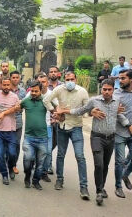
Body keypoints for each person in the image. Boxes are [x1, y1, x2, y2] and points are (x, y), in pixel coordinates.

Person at [57, 78, 131, 205]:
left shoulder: (117, 101)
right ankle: (98, 192)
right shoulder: (94, 101)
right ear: (101, 89)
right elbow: (80, 110)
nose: (106, 92)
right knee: (99, 164)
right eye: (104, 89)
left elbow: (117, 115)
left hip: (111, 138)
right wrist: (64, 111)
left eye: (109, 89)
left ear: (113, 90)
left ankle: (101, 187)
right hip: (97, 137)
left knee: (105, 166)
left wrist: (128, 124)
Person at [43, 71, 90, 200]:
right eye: (67, 79)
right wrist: (54, 112)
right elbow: (46, 100)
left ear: (76, 79)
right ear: (64, 80)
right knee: (60, 155)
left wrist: (69, 112)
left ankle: (84, 187)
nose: (70, 82)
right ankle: (59, 179)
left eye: (72, 79)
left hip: (76, 127)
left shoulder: (82, 91)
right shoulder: (59, 89)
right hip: (62, 127)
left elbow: (87, 109)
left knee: (80, 156)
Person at [12, 80, 48, 190]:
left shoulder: (46, 101)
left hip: (43, 138)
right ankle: (27, 176)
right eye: (32, 91)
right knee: (28, 159)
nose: (33, 93)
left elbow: (57, 111)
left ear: (40, 91)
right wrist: (8, 110)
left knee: (40, 163)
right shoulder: (26, 101)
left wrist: (59, 116)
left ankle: (36, 181)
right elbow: (16, 108)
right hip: (29, 138)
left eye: (36, 91)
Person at [109, 69, 132, 198]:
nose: (120, 81)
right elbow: (117, 112)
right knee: (120, 161)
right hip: (120, 132)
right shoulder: (117, 94)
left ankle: (125, 174)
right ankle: (118, 187)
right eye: (119, 78)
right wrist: (128, 125)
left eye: (123, 78)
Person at [0, 77, 20, 185]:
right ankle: (4, 175)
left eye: (8, 85)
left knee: (12, 153)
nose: (6, 87)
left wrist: (4, 113)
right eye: (4, 85)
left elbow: (17, 108)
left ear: (10, 85)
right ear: (1, 85)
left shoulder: (14, 97)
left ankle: (11, 168)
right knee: (0, 155)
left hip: (11, 130)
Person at [34, 73, 57, 183]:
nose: (42, 84)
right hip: (34, 127)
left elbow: (58, 107)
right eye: (40, 82)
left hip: (47, 126)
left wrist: (55, 117)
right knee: (35, 150)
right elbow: (22, 104)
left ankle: (44, 172)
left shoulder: (51, 94)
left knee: (48, 151)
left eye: (44, 82)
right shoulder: (32, 93)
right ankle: (36, 170)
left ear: (47, 83)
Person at [10, 70, 26, 174]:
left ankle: (13, 165)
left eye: (17, 77)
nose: (15, 79)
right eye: (13, 77)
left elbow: (23, 107)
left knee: (16, 144)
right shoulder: (6, 89)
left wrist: (19, 108)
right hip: (6, 121)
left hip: (18, 122)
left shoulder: (23, 91)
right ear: (10, 78)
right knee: (7, 145)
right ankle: (8, 164)